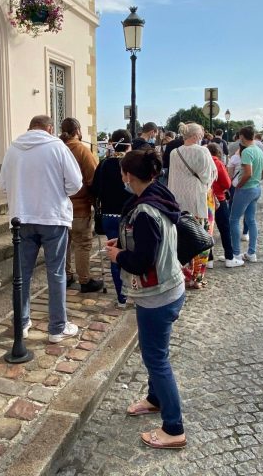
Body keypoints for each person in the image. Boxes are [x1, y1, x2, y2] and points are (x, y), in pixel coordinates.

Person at [104, 150, 187, 450]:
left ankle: (174, 428)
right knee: (155, 352)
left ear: (127, 175)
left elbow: (141, 261)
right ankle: (154, 399)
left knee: (156, 358)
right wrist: (124, 243)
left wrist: (118, 255)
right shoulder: (157, 195)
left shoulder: (145, 211)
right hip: (168, 288)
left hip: (158, 295)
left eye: (123, 173)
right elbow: (149, 242)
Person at [0, 115, 83, 344]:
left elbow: (3, 184)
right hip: (53, 216)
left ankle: (22, 323)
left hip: (22, 218)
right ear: (49, 128)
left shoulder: (14, 148)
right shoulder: (57, 147)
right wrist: (57, 191)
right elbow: (75, 183)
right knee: (55, 273)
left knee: (22, 273)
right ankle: (57, 327)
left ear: (30, 127)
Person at [168, 123, 217, 287]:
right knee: (201, 239)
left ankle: (185, 273)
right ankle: (198, 277)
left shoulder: (175, 152)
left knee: (184, 238)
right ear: (197, 135)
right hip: (199, 201)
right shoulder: (202, 151)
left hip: (180, 202)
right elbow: (209, 176)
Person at [60, 117, 104, 293]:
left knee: (64, 244)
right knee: (82, 244)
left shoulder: (57, 148)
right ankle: (84, 280)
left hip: (60, 206)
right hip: (79, 207)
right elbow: (94, 178)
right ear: (77, 131)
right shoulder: (81, 150)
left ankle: (66, 275)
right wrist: (96, 201)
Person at [92, 129, 133, 307]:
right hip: (129, 216)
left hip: (109, 216)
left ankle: (121, 297)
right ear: (129, 144)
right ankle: (134, 293)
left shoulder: (104, 164)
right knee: (133, 254)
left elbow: (94, 190)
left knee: (116, 255)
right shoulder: (132, 164)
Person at [229, 126, 263, 264]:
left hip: (246, 189)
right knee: (251, 220)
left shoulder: (247, 152)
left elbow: (247, 173)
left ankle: (236, 254)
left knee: (234, 219)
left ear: (242, 137)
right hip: (256, 188)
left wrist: (239, 184)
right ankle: (251, 252)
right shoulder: (259, 150)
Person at [206, 143, 236, 267]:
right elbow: (227, 183)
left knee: (207, 230)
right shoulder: (217, 163)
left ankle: (209, 259)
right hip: (219, 198)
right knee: (224, 229)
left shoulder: (202, 162)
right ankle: (229, 257)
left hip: (205, 199)